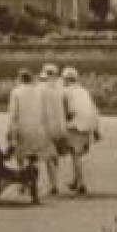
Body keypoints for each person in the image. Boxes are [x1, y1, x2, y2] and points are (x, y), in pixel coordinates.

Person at [59, 68, 101, 195]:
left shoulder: (66, 92)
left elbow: (67, 112)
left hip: (76, 125)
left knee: (75, 155)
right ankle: (75, 181)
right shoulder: (83, 91)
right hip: (88, 125)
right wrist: (96, 129)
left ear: (67, 79)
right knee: (76, 154)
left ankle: (81, 183)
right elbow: (94, 110)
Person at [6, 69, 53, 175]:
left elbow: (13, 115)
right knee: (33, 154)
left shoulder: (16, 92)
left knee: (19, 153)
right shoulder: (39, 92)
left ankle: (23, 174)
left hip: (22, 130)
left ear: (20, 79)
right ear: (31, 79)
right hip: (37, 130)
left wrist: (10, 132)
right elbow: (44, 112)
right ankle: (32, 173)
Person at [36, 64, 70, 195]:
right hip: (60, 127)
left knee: (46, 156)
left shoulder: (40, 89)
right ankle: (53, 182)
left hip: (46, 126)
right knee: (53, 156)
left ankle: (52, 184)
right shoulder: (61, 89)